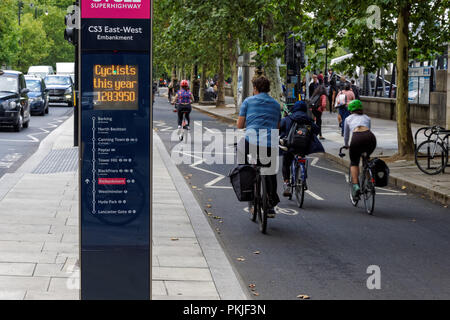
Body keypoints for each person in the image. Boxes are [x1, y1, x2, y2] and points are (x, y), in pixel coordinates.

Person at [237, 76, 281, 218]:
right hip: (270, 144)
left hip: (252, 142)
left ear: (255, 88)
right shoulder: (275, 104)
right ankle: (270, 203)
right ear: (268, 88)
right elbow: (278, 126)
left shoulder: (248, 101)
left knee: (242, 157)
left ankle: (247, 188)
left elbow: (240, 125)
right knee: (270, 171)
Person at [279, 100, 324, 197]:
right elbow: (316, 130)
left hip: (290, 146)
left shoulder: (288, 118)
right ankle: (302, 176)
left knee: (286, 162)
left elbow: (280, 128)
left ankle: (287, 183)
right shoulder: (308, 120)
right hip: (303, 147)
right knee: (301, 156)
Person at [343, 100, 377, 200]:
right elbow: (368, 129)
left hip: (357, 138)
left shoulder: (348, 118)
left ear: (350, 110)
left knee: (354, 162)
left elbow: (346, 135)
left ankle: (356, 186)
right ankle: (370, 181)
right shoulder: (367, 117)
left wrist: (346, 145)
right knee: (366, 159)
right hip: (370, 138)